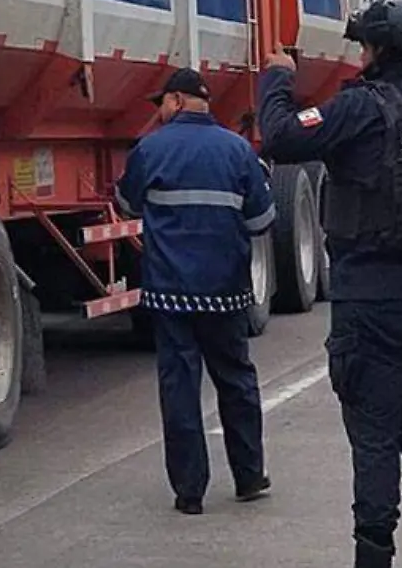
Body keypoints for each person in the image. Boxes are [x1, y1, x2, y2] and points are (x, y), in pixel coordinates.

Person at [257, 0, 402, 568]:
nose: (359, 54)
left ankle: (375, 556)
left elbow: (281, 137)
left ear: (380, 50)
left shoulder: (360, 108)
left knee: (376, 444)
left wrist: (278, 78)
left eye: (363, 44)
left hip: (371, 308)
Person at [114, 68, 275, 516]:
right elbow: (262, 221)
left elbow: (127, 203)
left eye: (161, 103)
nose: (160, 112)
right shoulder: (238, 150)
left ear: (179, 101)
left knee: (180, 388)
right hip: (225, 291)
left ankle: (190, 492)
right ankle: (249, 476)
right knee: (237, 381)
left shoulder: (150, 148)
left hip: (170, 293)